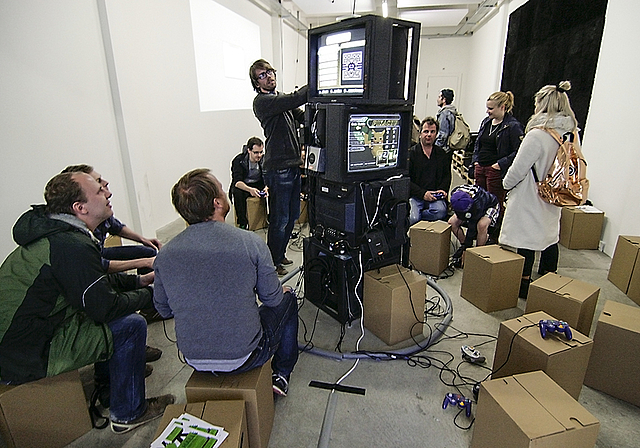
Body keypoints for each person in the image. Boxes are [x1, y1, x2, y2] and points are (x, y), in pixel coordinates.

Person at [0, 171, 174, 433]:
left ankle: (110, 386)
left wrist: (140, 281)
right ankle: (128, 412)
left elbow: (90, 285)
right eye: (99, 191)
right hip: (25, 351)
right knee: (131, 325)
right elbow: (104, 307)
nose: (108, 193)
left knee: (115, 319)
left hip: (23, 335)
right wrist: (155, 296)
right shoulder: (71, 246)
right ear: (80, 208)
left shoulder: (59, 233)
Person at [153, 169, 299, 396]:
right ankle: (281, 374)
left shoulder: (165, 254)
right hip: (246, 356)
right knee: (288, 298)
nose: (225, 192)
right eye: (222, 189)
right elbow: (272, 298)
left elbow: (163, 309)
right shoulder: (251, 243)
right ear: (217, 203)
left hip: (194, 360)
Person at [500, 81, 578, 299]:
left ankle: (524, 286)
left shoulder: (537, 135)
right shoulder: (571, 133)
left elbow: (518, 168)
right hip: (555, 194)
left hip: (531, 195)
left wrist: (506, 185)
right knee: (549, 236)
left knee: (527, 238)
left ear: (543, 104)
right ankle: (548, 282)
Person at [250, 59, 308, 276]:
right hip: (278, 169)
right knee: (280, 219)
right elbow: (295, 99)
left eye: (270, 72)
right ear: (257, 83)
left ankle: (279, 254)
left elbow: (302, 116)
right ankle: (272, 262)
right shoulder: (263, 102)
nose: (269, 76)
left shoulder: (279, 100)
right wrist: (316, 83)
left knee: (292, 215)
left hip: (292, 166)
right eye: (263, 75)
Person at [61, 164, 161, 275]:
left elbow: (116, 227)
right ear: (80, 207)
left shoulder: (99, 213)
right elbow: (99, 264)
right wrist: (143, 263)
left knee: (147, 252)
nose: (106, 185)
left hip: (99, 254)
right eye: (98, 182)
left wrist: (143, 240)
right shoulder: (73, 238)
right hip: (94, 263)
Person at [470, 91, 524, 239]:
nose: (487, 111)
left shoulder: (512, 126)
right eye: (487, 108)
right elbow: (478, 144)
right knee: (479, 200)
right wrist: (475, 161)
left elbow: (519, 151)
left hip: (495, 171)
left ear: (502, 107)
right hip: (481, 167)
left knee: (495, 204)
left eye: (491, 109)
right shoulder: (486, 122)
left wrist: (500, 164)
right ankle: (479, 232)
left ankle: (494, 235)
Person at [408, 116, 452, 225]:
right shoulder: (412, 154)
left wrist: (442, 189)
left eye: (432, 132)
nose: (429, 135)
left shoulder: (441, 154)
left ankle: (421, 220)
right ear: (420, 133)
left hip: (435, 195)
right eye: (426, 131)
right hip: (416, 195)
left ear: (436, 134)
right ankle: (419, 220)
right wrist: (423, 194)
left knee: (441, 212)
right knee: (413, 218)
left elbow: (447, 175)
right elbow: (407, 181)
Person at [448, 184, 499, 267]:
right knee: (452, 223)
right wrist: (465, 247)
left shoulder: (478, 201)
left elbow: (472, 227)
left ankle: (478, 252)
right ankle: (463, 243)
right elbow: (460, 214)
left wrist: (467, 249)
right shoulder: (455, 195)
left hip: (490, 206)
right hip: (470, 209)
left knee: (481, 225)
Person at [230, 137, 267, 229]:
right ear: (249, 150)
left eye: (261, 152)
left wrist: (267, 187)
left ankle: (271, 218)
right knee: (238, 193)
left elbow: (269, 176)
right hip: (244, 184)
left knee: (275, 189)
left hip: (258, 183)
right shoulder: (239, 160)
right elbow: (237, 182)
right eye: (256, 153)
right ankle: (242, 222)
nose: (259, 155)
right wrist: (250, 190)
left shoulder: (265, 160)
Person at [435, 88, 457, 154]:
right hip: (449, 149)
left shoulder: (444, 113)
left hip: (443, 150)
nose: (437, 99)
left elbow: (443, 134)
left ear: (444, 99)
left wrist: (435, 148)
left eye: (439, 97)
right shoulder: (452, 111)